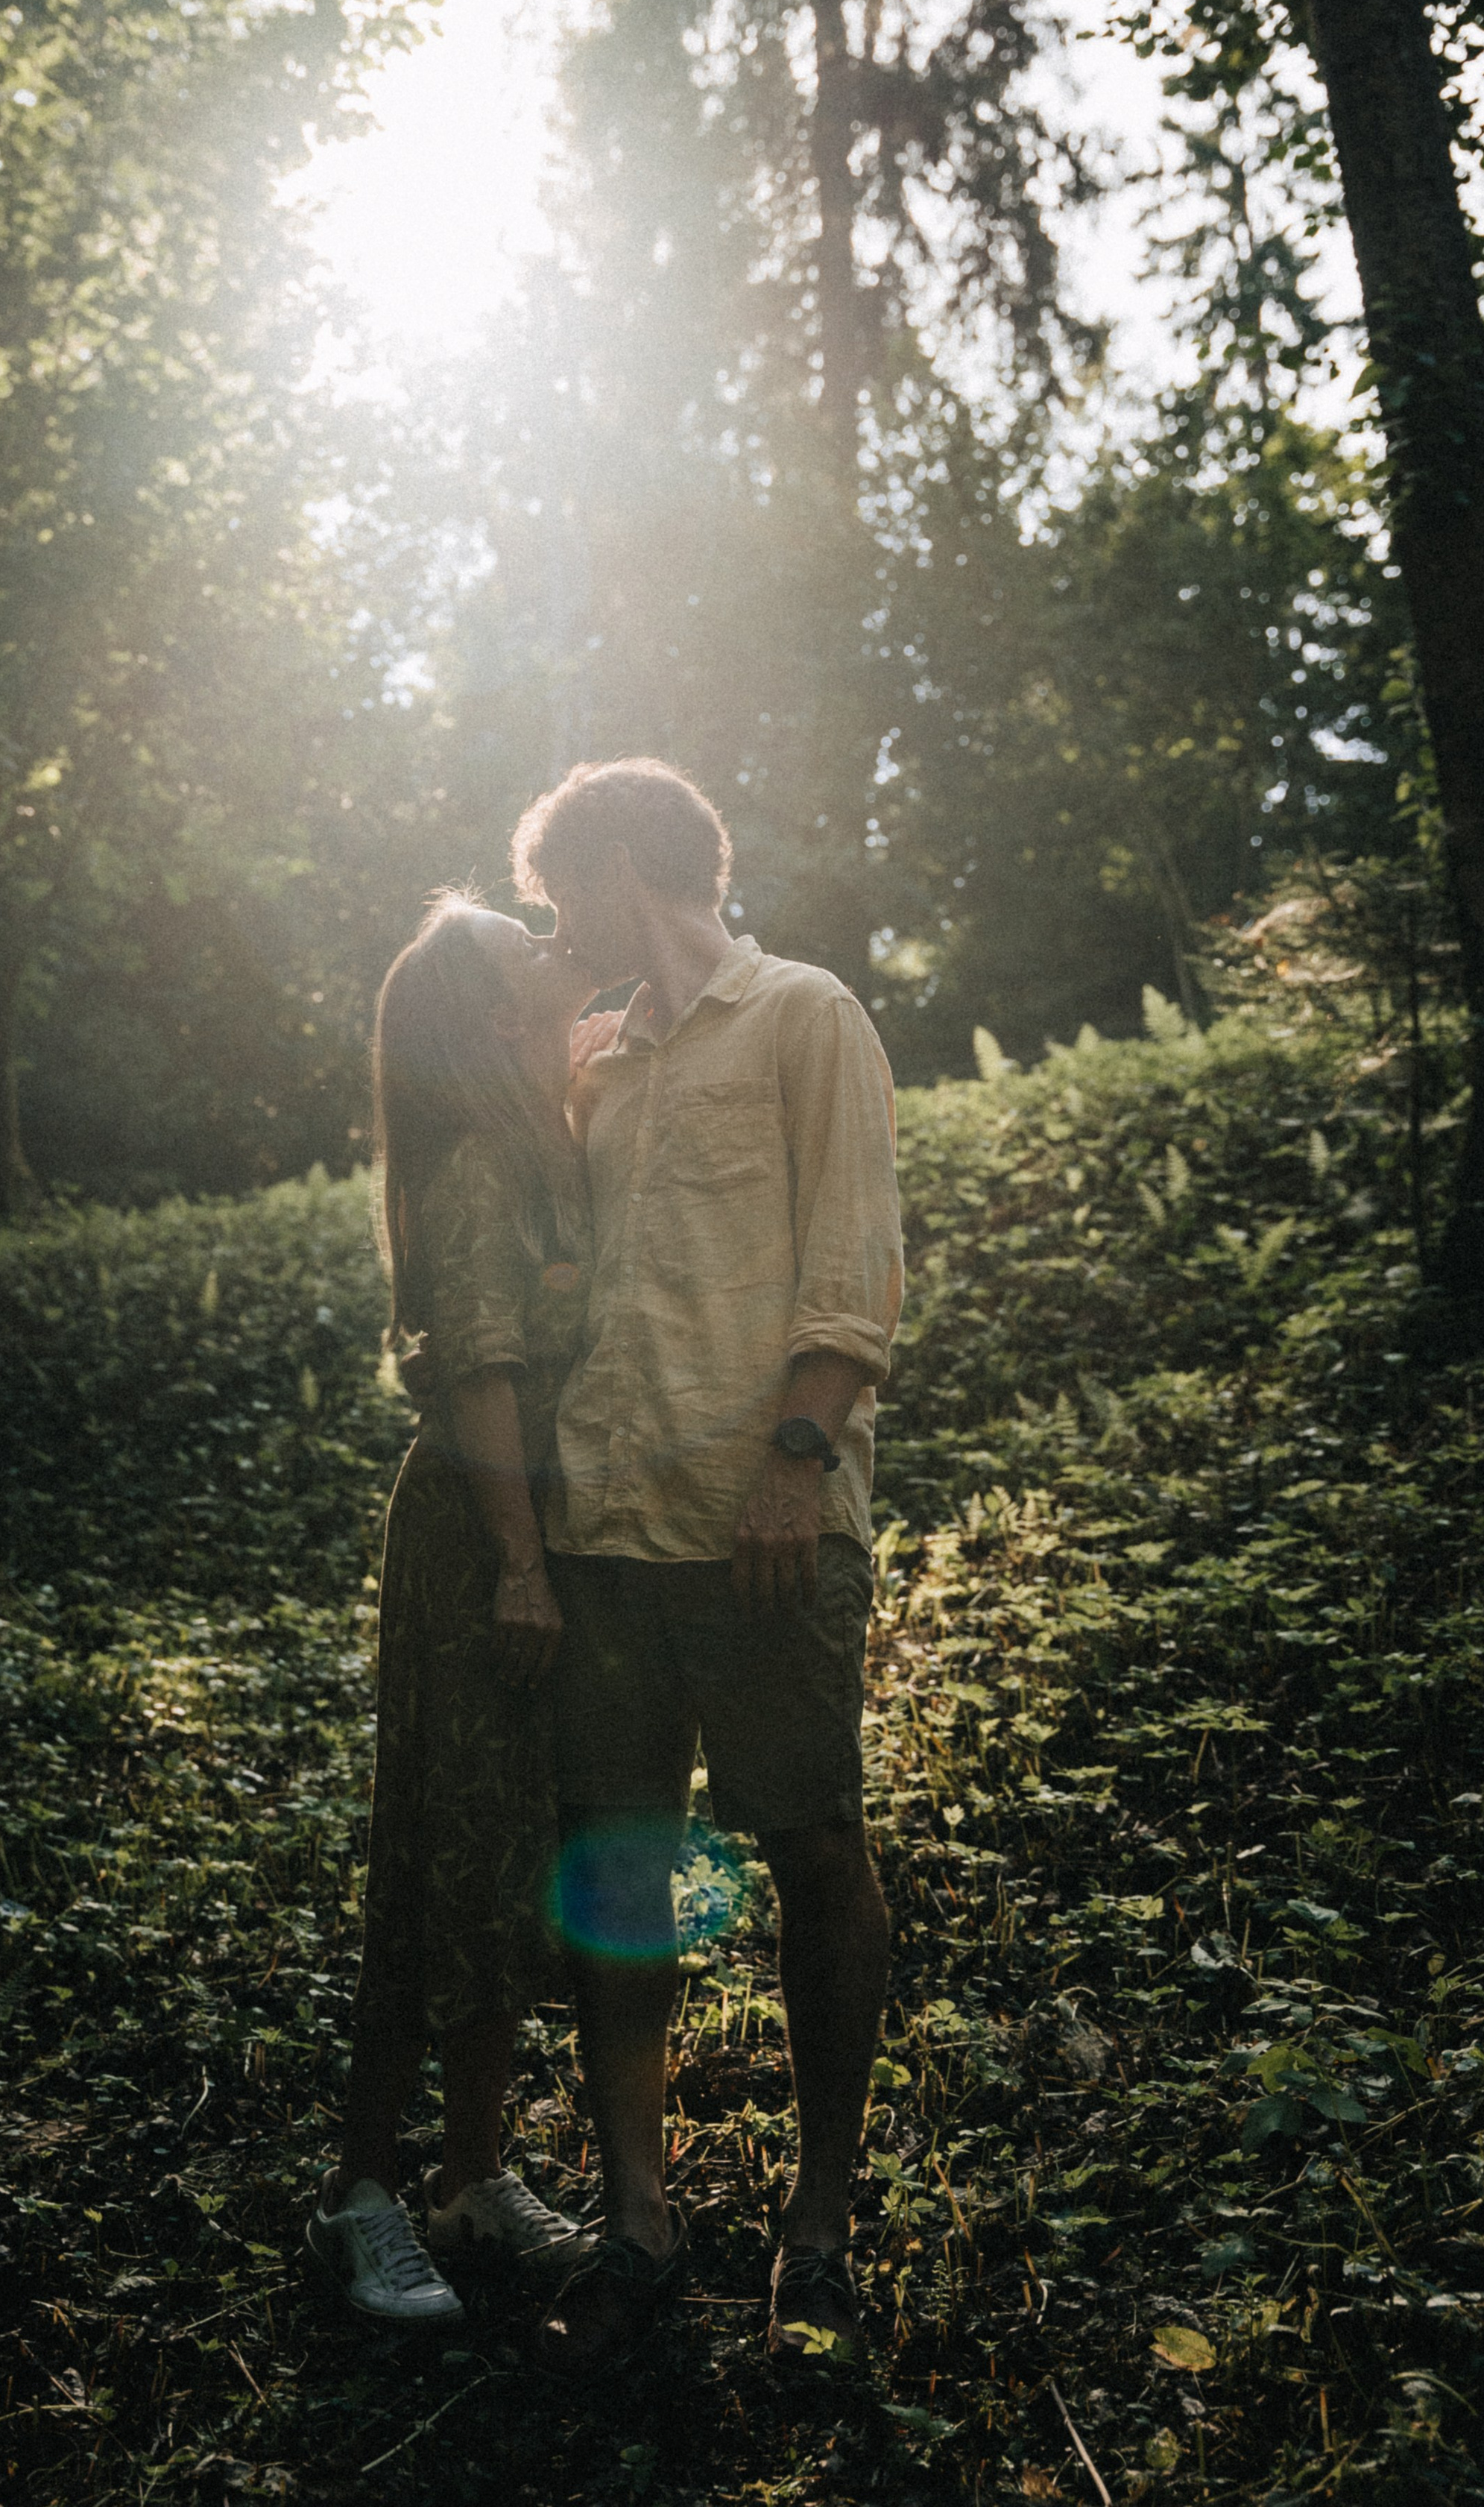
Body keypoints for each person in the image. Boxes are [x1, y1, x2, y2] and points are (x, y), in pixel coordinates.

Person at [513, 760, 904, 2380]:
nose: (556, 932)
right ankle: (639, 2220)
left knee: (810, 1843)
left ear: (621, 867)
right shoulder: (597, 1066)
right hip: (604, 1534)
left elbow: (854, 1265)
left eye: (559, 898)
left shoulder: (804, 1015)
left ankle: (818, 2220)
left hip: (762, 1529)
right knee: (615, 1871)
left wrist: (794, 1461)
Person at [306, 892, 602, 2325]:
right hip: (481, 1534)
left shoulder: (544, 1127)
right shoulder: (483, 1160)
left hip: (532, 1525)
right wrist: (521, 1563)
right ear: (491, 1013)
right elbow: (483, 1370)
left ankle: (473, 2175)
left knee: (509, 1851)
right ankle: (362, 2195)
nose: (554, 943)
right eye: (523, 944)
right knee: (438, 1851)